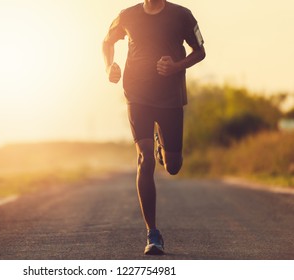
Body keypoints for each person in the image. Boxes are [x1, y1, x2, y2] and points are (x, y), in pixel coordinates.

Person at [102, 0, 205, 255]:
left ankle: (163, 148)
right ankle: (153, 233)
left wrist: (176, 66)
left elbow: (200, 51)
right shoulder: (127, 15)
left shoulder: (182, 15)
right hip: (137, 94)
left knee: (173, 166)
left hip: (170, 97)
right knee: (144, 159)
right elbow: (107, 42)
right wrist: (109, 67)